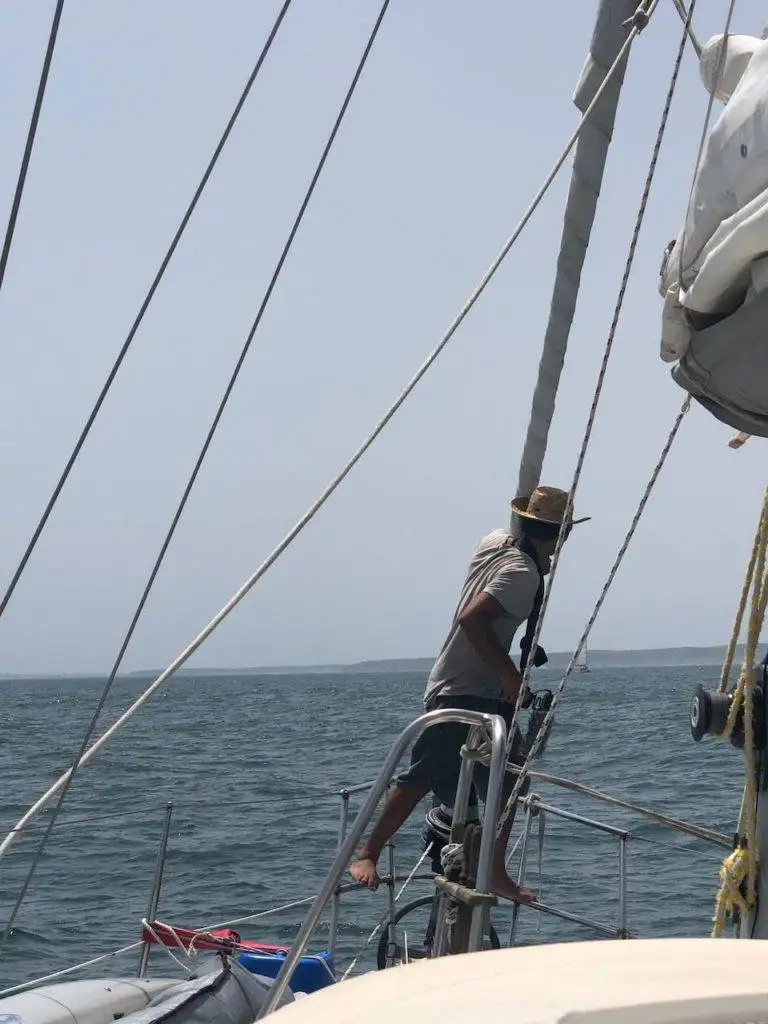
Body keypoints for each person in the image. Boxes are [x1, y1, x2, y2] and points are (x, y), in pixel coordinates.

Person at [349, 486, 589, 902]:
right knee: (420, 776)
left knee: (510, 779)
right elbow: (471, 620)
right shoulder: (522, 574)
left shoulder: (495, 543)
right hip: (463, 689)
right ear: (562, 533)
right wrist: (510, 676)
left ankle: (493, 871)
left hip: (479, 690)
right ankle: (366, 853)